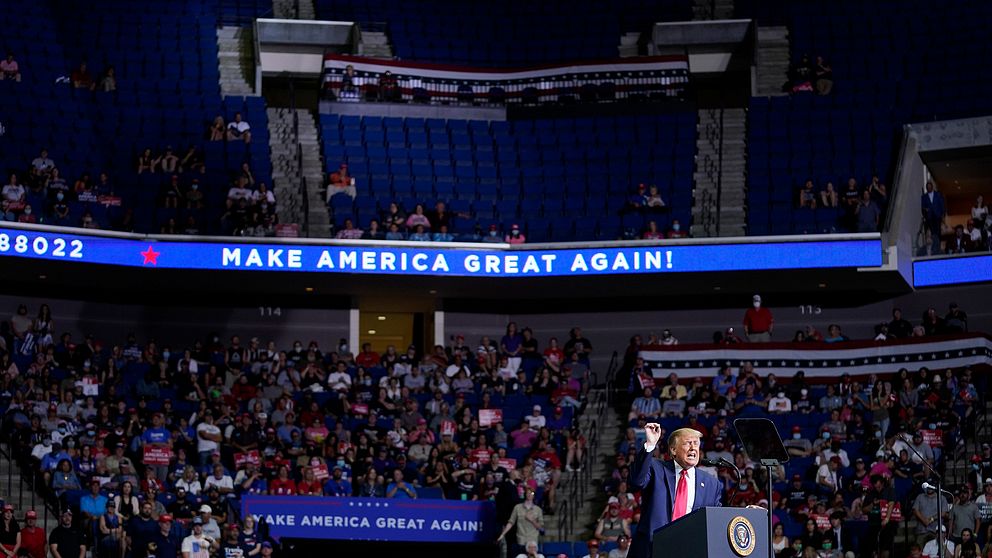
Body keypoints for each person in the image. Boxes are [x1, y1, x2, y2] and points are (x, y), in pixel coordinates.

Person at [629, 426, 722, 558]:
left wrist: (746, 512)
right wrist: (650, 444)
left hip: (690, 551)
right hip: (652, 549)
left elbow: (717, 519)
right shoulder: (656, 468)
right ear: (673, 450)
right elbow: (636, 482)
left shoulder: (711, 484)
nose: (693, 448)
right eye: (687, 443)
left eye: (696, 444)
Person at [497, 488, 544, 557]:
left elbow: (541, 528)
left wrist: (532, 520)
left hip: (533, 541)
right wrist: (503, 534)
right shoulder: (517, 507)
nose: (529, 494)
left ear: (534, 495)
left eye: (532, 493)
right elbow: (511, 522)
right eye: (528, 493)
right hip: (521, 540)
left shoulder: (538, 509)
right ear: (525, 494)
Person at [921, 181, 946, 255]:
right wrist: (926, 211)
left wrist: (942, 214)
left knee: (938, 232)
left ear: (932, 187)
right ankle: (934, 246)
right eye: (927, 187)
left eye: (930, 186)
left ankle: (938, 246)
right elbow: (922, 207)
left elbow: (942, 205)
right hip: (930, 217)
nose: (929, 188)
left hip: (937, 215)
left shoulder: (938, 195)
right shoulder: (924, 197)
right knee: (932, 232)